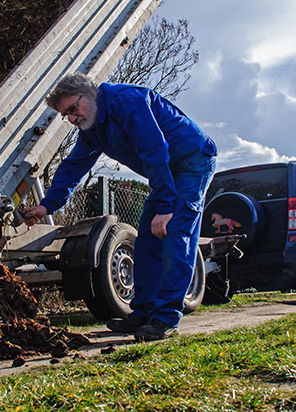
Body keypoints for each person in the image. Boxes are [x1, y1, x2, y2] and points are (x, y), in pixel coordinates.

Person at [23, 73, 216, 341]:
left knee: (174, 234)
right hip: (167, 171)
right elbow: (74, 166)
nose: (71, 118)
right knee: (147, 240)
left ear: (90, 93)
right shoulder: (92, 130)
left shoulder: (128, 102)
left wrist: (164, 207)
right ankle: (143, 312)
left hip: (192, 161)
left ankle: (166, 319)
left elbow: (154, 149)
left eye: (72, 109)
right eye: (65, 115)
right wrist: (46, 206)